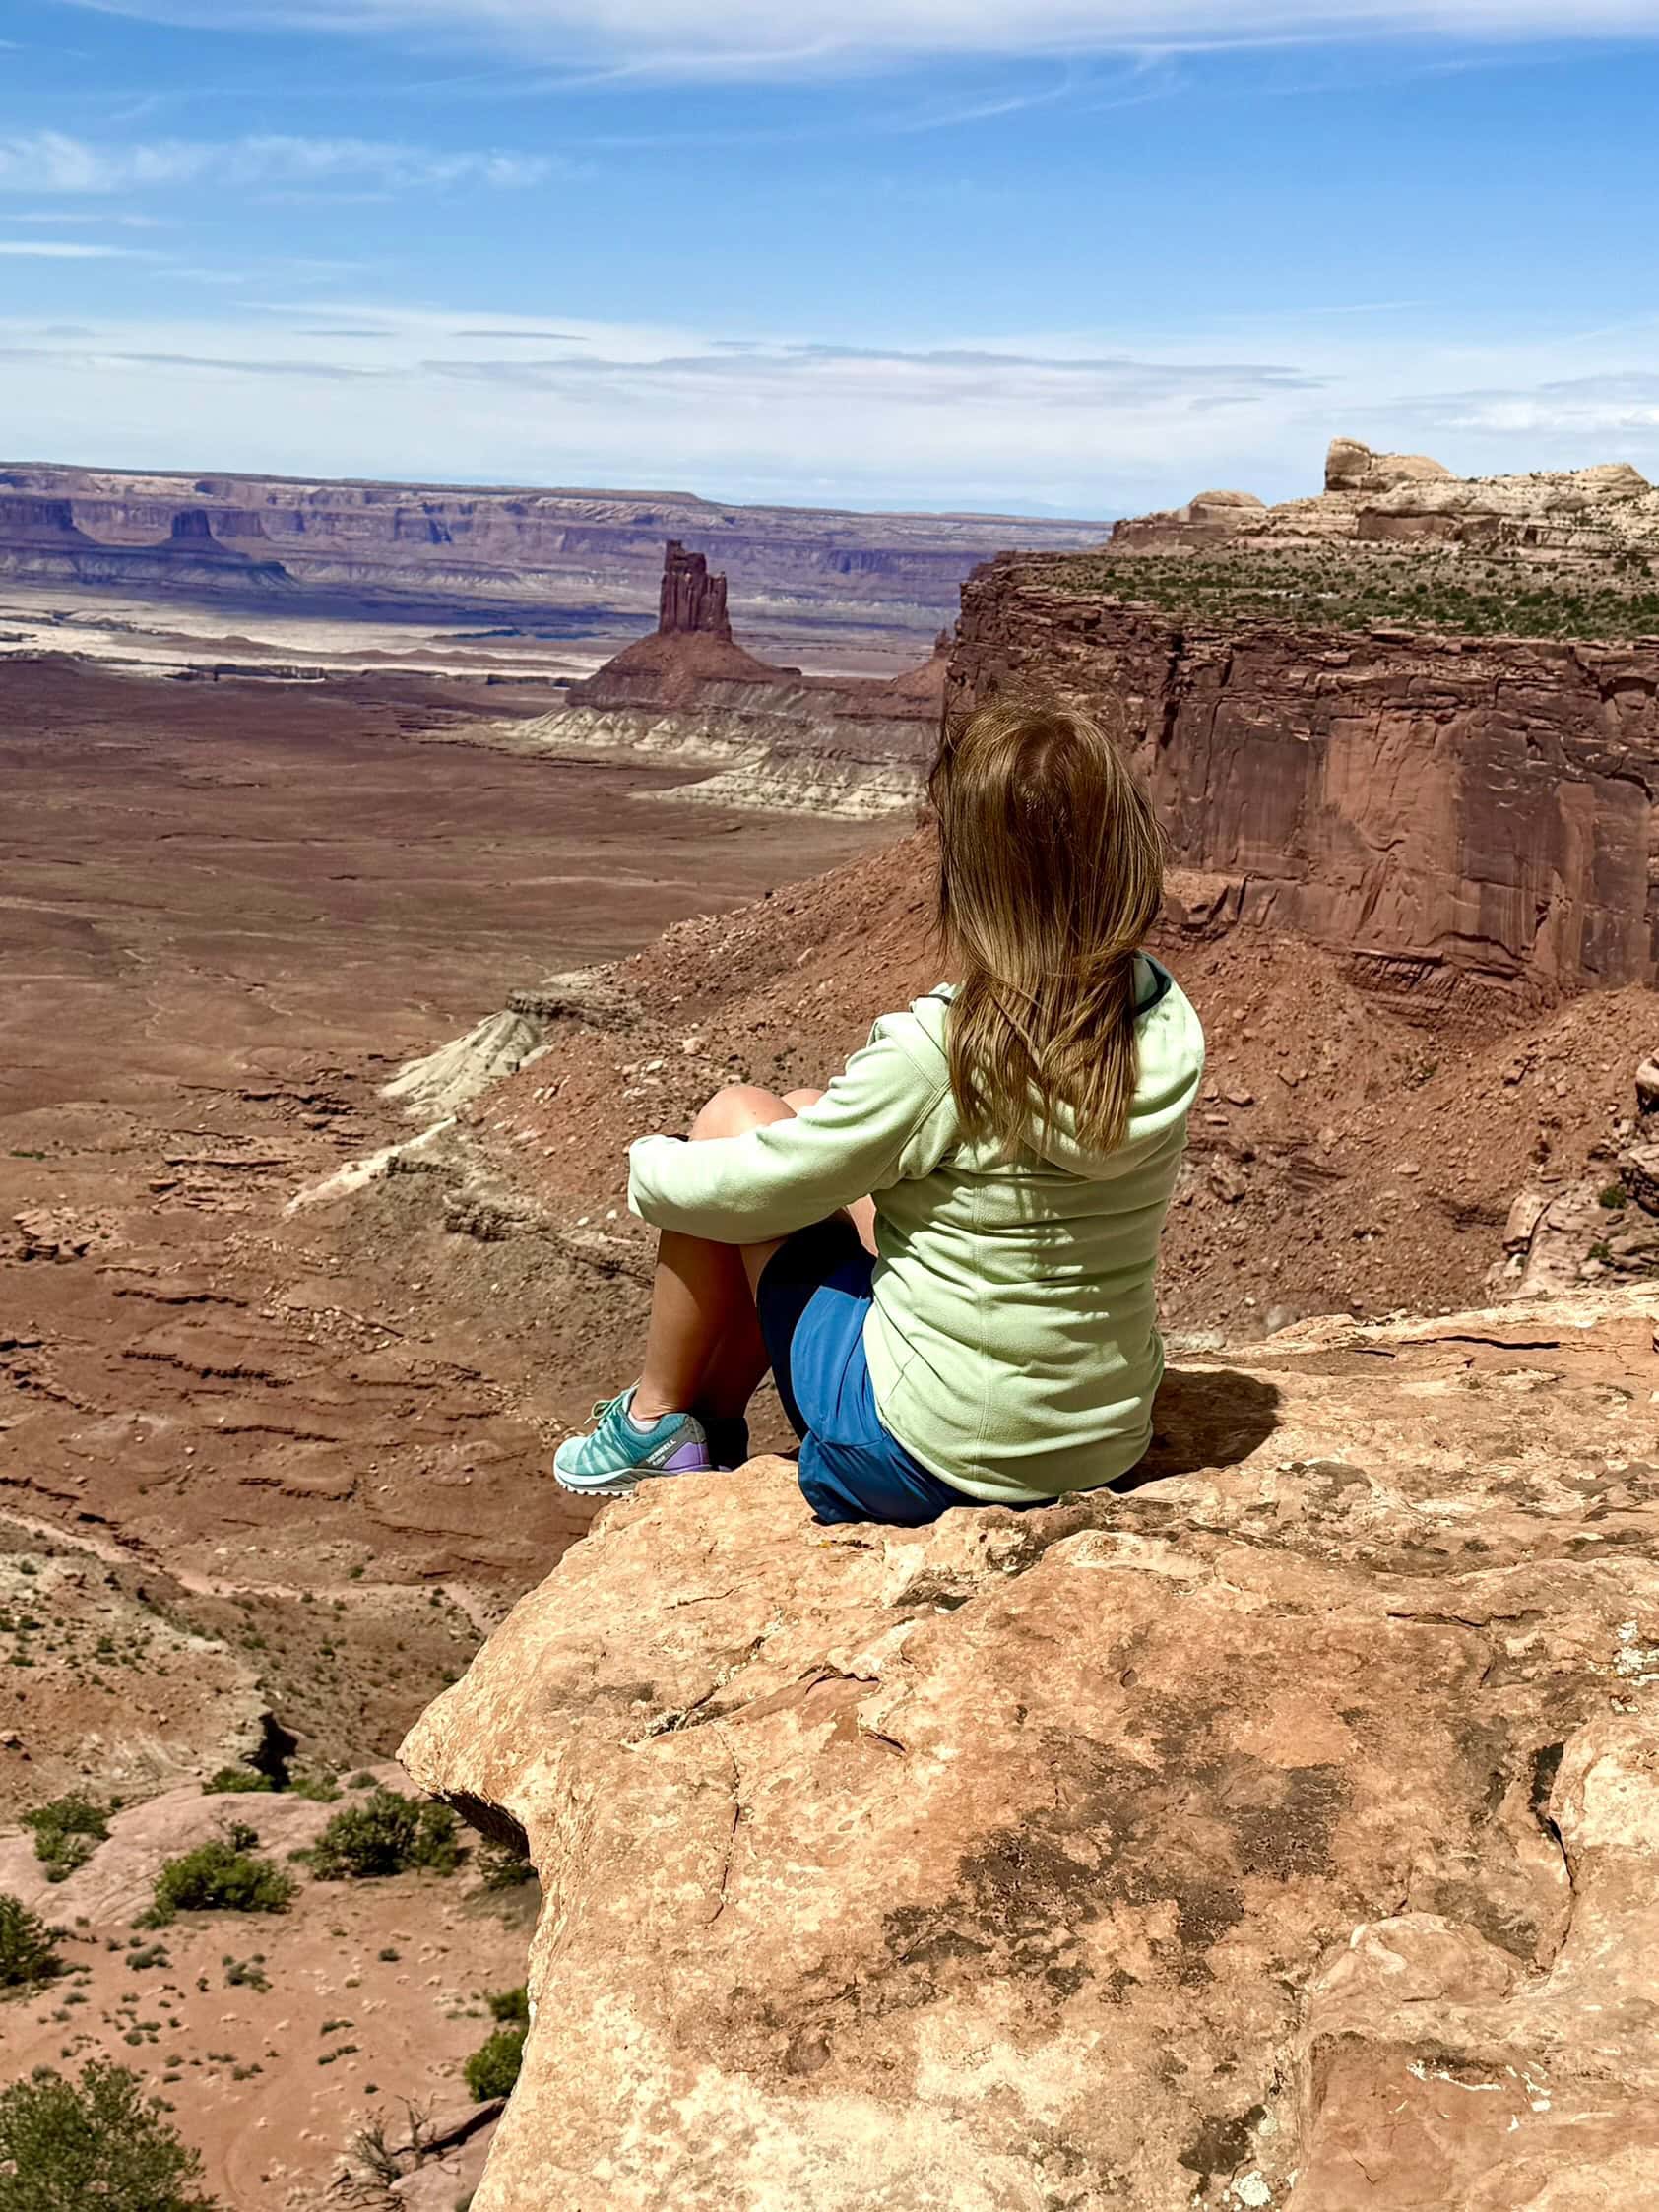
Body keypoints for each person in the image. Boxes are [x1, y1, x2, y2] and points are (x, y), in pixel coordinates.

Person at [553, 695, 1205, 1526]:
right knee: (804, 1107)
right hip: (1101, 1439)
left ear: (969, 877)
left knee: (730, 1125)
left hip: (925, 1457)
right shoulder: (1157, 1015)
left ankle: (653, 1419)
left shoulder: (944, 1049)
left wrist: (651, 1163)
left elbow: (758, 1190)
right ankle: (704, 1428)